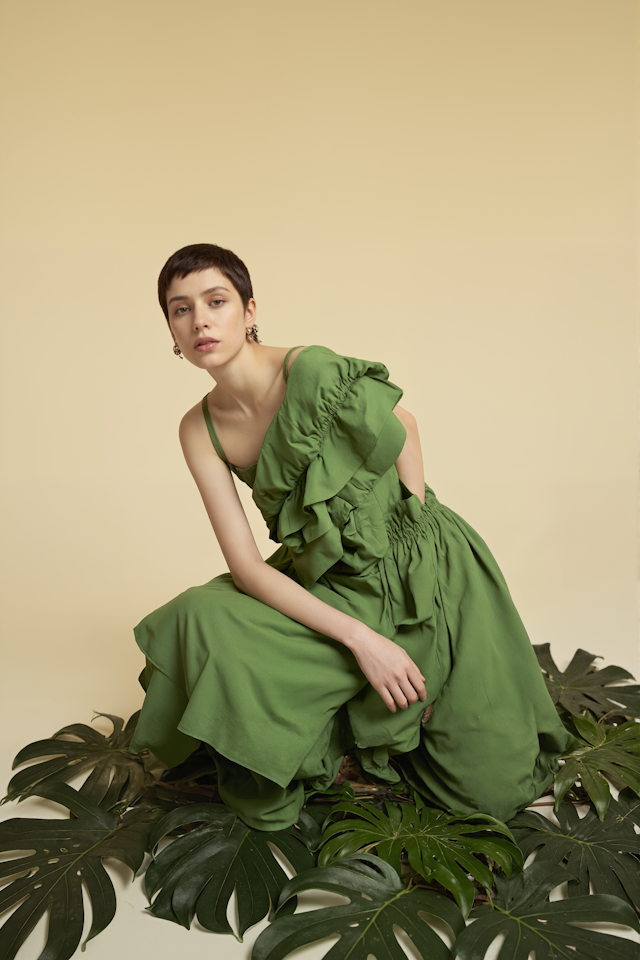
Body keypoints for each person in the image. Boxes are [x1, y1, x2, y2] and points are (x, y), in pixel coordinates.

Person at [129, 242, 571, 831]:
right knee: (198, 613)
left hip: (418, 563)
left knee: (487, 789)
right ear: (172, 330)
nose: (201, 320)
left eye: (216, 301)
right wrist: (363, 639)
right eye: (181, 310)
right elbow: (246, 566)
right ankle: (338, 711)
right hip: (327, 579)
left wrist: (413, 524)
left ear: (250, 310)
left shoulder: (308, 370)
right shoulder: (199, 427)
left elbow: (404, 425)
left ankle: (409, 699)